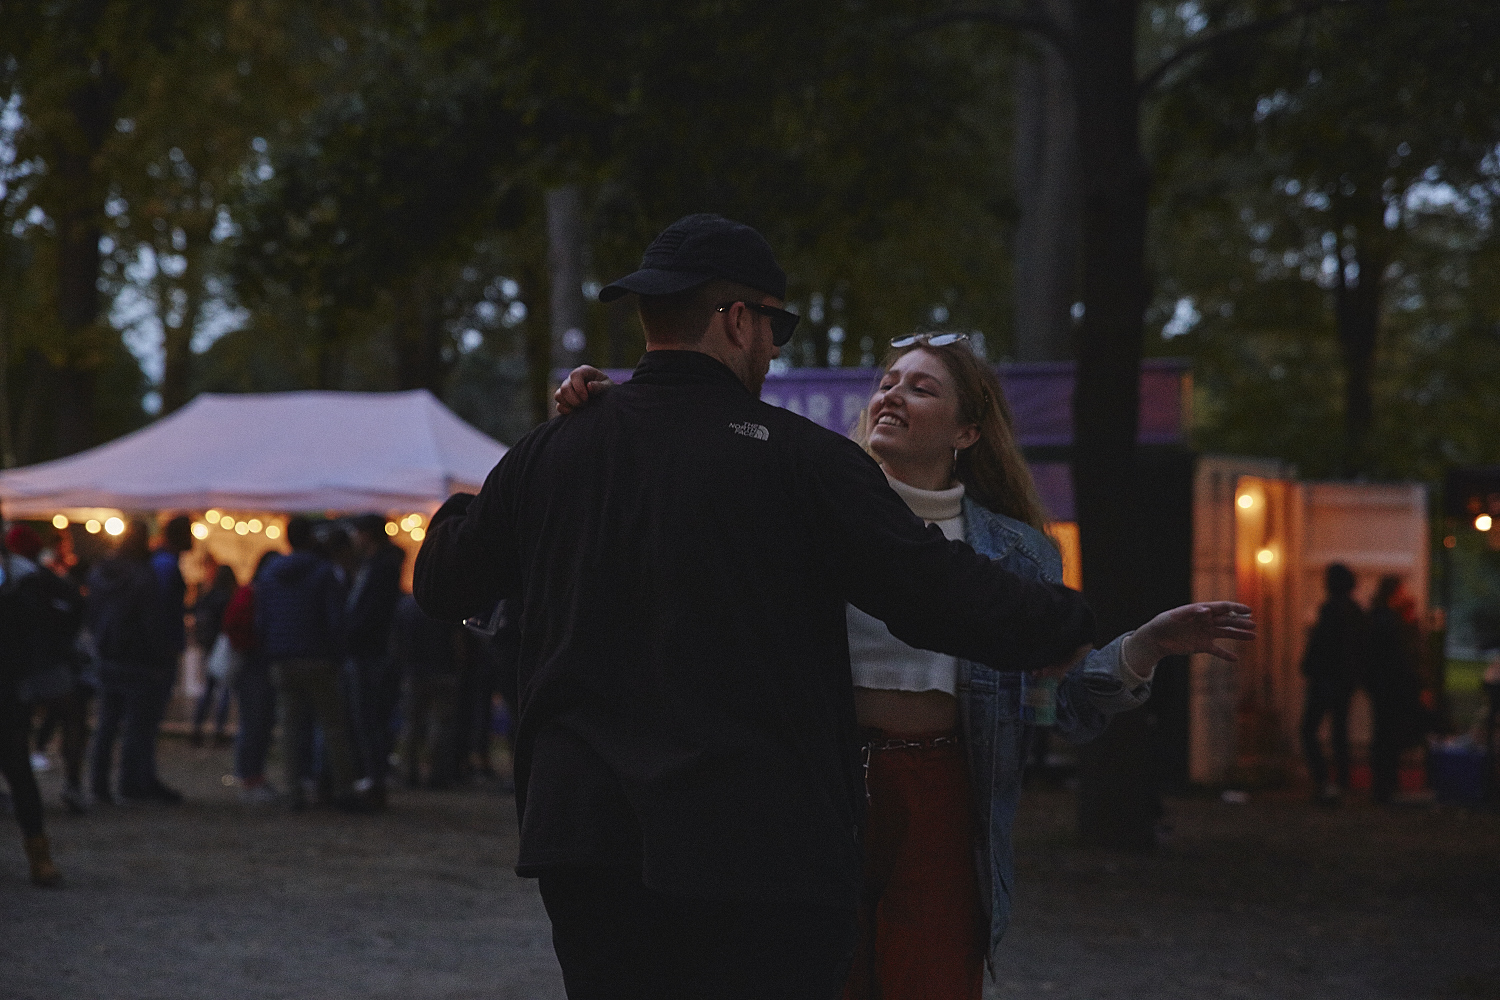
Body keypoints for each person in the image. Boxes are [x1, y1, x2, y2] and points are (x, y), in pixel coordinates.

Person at [415, 213, 1103, 1000]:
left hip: (585, 835)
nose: (775, 350)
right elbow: (929, 588)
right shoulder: (800, 460)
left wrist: (471, 508)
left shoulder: (555, 448)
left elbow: (444, 581)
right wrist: (1064, 622)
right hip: (756, 841)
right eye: (774, 327)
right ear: (737, 320)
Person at [557, 335, 1255, 998]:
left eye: (921, 389)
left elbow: (1054, 705)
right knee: (810, 976)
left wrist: (1145, 647)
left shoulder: (1018, 554)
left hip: (941, 790)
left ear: (966, 432)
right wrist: (609, 407)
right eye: (887, 383)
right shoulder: (807, 509)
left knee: (929, 981)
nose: (891, 395)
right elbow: (698, 460)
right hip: (809, 785)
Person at [254, 516, 360, 811]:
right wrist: (337, 654)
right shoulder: (324, 572)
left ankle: (293, 792)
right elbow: (335, 620)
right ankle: (343, 790)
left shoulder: (270, 573)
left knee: (289, 728)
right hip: (318, 657)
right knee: (332, 726)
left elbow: (262, 617)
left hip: (282, 657)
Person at [87, 520, 183, 804]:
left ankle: (99, 785)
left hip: (108, 656)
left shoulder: (99, 573)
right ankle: (130, 784)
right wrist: (160, 654)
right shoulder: (144, 576)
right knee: (137, 726)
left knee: (107, 723)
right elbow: (152, 621)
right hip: (139, 660)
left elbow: (92, 613)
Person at [0, 516, 63, 885]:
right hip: (13, 683)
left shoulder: (22, 577)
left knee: (18, 769)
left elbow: (38, 630)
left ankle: (39, 855)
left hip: (8, 685)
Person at [9, 525, 89, 814]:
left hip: (20, 665)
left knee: (14, 728)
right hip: (46, 663)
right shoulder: (42, 580)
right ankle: (72, 784)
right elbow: (75, 607)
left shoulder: (16, 577)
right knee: (71, 719)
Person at [343, 514, 406, 807]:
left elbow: (370, 611)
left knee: (369, 716)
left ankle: (372, 778)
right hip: (371, 650)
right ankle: (372, 776)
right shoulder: (380, 565)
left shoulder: (380, 567)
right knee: (371, 717)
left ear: (366, 534)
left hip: (370, 651)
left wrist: (352, 632)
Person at [1300, 562, 1365, 804]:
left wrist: (1309, 667)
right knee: (1340, 730)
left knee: (1308, 730)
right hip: (1345, 681)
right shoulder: (1355, 610)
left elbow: (1322, 646)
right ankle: (1341, 781)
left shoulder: (1329, 610)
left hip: (1325, 679)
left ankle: (1323, 780)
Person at [390, 594, 465, 788]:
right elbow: (457, 641)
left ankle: (408, 773)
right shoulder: (447, 605)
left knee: (411, 726)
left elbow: (396, 640)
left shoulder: (405, 606)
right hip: (444, 671)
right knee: (441, 726)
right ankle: (437, 774)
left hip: (413, 673)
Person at [1366, 575, 1425, 803]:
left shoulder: (1381, 617)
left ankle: (1385, 785)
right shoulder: (1388, 620)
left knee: (1383, 735)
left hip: (1383, 687)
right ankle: (1385, 786)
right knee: (1387, 737)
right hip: (1390, 688)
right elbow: (1399, 658)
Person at [227, 551, 279, 803]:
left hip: (252, 660)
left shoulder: (252, 591)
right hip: (254, 662)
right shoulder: (257, 592)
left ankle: (252, 775)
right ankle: (250, 777)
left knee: (256, 721)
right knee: (255, 721)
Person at [190, 564, 239, 747]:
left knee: (208, 689)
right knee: (224, 690)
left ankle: (197, 729)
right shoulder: (228, 597)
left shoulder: (207, 595)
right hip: (223, 646)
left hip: (208, 645)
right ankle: (219, 730)